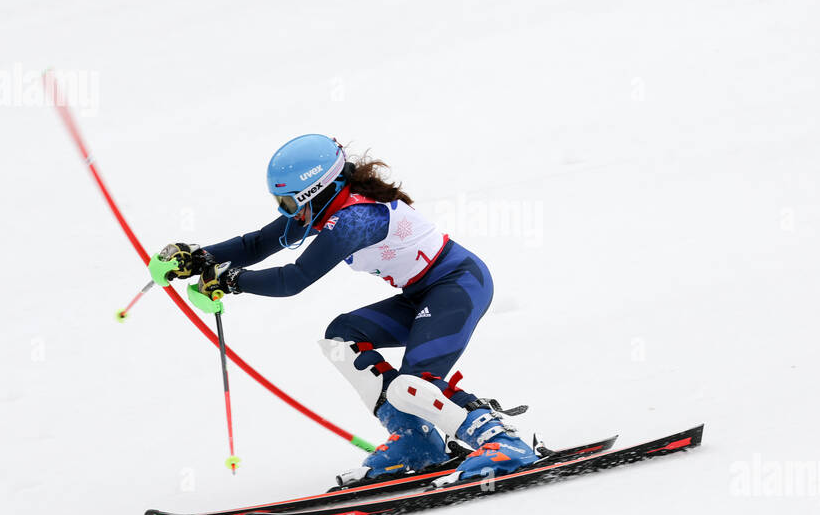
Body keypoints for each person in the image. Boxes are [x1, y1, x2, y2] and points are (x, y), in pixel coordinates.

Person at [156, 133, 538, 486]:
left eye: (289, 202)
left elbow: (295, 279)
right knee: (342, 338)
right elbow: (258, 244)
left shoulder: (355, 218)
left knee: (413, 384)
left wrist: (233, 281)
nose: (287, 212)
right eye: (279, 203)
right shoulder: (326, 207)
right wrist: (200, 256)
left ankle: (503, 443)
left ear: (318, 191)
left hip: (457, 287)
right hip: (422, 293)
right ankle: (414, 442)